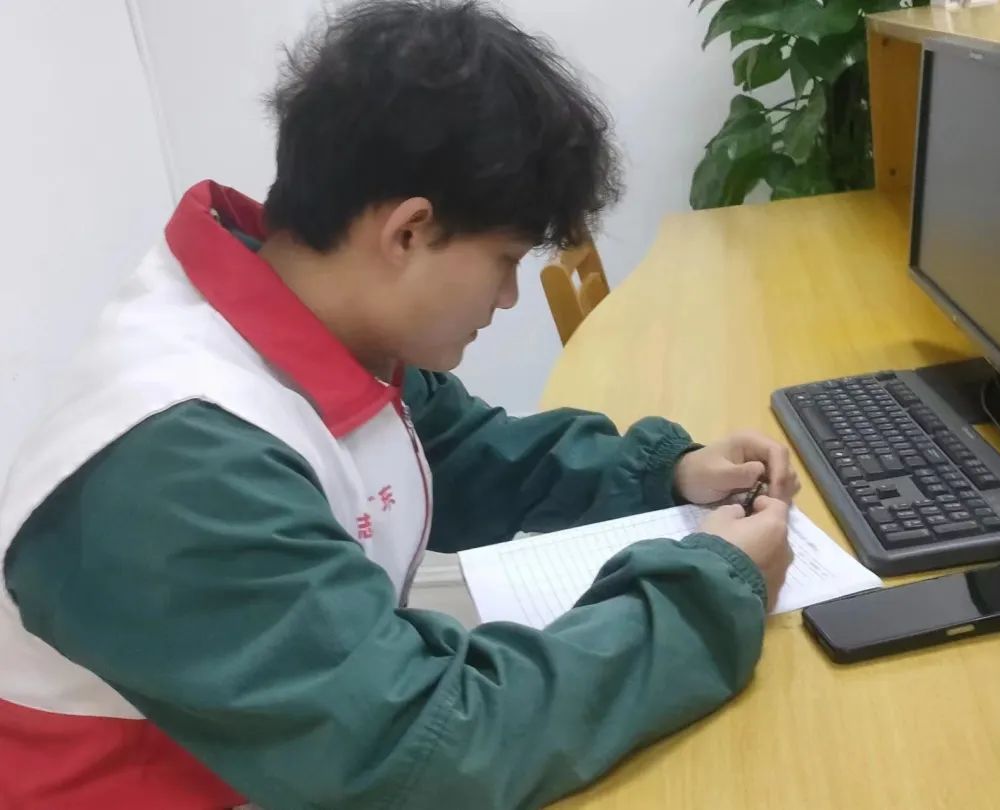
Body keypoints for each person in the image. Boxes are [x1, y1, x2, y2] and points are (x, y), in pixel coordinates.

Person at [0, 1, 798, 807]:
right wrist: (708, 594)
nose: (509, 297)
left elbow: (459, 452)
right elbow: (426, 752)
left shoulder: (308, 322)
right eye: (505, 260)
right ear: (408, 232)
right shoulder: (180, 464)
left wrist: (666, 474)